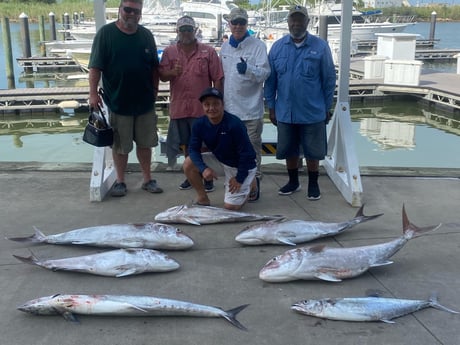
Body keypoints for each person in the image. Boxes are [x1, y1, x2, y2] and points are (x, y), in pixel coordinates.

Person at [88, 0, 163, 197]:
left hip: (145, 102)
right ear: (120, 10)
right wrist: (93, 93)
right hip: (118, 101)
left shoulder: (146, 35)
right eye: (127, 9)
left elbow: (154, 67)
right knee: (121, 146)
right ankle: (120, 181)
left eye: (135, 11)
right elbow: (95, 67)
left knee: (145, 143)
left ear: (141, 13)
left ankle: (147, 179)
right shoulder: (105, 34)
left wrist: (155, 89)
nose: (131, 14)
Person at [264, 5, 336, 200]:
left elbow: (329, 79)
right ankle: (293, 182)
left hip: (312, 111)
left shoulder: (320, 46)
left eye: (300, 20)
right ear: (288, 22)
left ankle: (313, 184)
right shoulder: (277, 47)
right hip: (285, 111)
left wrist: (326, 107)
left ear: (307, 22)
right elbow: (270, 81)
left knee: (313, 151)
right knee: (289, 149)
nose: (296, 23)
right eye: (293, 20)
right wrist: (271, 107)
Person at [159, 15, 224, 192]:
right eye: (183, 29)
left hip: (202, 110)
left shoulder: (208, 52)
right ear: (177, 31)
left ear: (194, 31)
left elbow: (218, 77)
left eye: (189, 29)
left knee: (205, 145)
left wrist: (218, 103)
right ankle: (192, 175)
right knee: (187, 145)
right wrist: (173, 72)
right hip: (180, 108)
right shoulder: (169, 51)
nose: (186, 33)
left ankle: (208, 178)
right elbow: (162, 76)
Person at [220, 7, 270, 202]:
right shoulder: (224, 47)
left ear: (247, 24)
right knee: (231, 150)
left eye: (242, 22)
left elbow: (265, 73)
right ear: (229, 24)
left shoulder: (258, 46)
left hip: (251, 111)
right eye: (235, 22)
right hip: (229, 111)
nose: (238, 26)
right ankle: (235, 181)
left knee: (252, 151)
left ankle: (255, 184)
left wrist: (248, 69)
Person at [183, 87, 257, 210]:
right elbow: (193, 150)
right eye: (207, 104)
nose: (211, 108)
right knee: (188, 163)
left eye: (216, 104)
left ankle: (252, 183)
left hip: (240, 165)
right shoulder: (199, 124)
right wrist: (204, 169)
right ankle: (203, 198)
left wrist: (240, 178)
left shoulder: (235, 124)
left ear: (223, 105)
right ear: (202, 106)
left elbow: (247, 154)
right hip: (220, 160)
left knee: (230, 207)